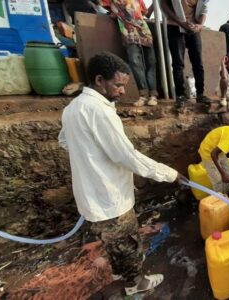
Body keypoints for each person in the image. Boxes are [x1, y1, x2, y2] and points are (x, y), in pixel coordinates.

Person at [58, 52, 186, 295]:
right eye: (117, 85)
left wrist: (89, 155)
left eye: (123, 86)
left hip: (90, 196)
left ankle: (120, 272)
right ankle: (135, 283)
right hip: (109, 195)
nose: (121, 91)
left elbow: (64, 140)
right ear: (98, 80)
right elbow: (127, 156)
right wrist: (170, 174)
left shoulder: (73, 107)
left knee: (114, 241)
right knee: (127, 242)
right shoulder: (100, 111)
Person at [109, 0, 159, 107]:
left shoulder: (138, 1)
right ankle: (143, 95)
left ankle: (153, 96)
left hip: (144, 33)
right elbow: (110, 11)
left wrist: (155, 4)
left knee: (151, 63)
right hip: (129, 34)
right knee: (136, 64)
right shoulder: (113, 1)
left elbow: (146, 14)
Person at [161, 0, 210, 106]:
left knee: (198, 63)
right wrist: (181, 23)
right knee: (178, 63)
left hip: (193, 28)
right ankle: (180, 95)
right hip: (175, 26)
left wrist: (200, 25)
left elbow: (204, 10)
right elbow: (163, 4)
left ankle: (200, 94)